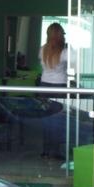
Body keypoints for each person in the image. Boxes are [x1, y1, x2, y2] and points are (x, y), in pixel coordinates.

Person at [38, 23, 70, 158]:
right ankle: (56, 151)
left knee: (46, 118)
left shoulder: (42, 49)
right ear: (60, 35)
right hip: (59, 86)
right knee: (59, 118)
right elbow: (74, 65)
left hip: (44, 86)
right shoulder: (65, 51)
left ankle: (46, 150)